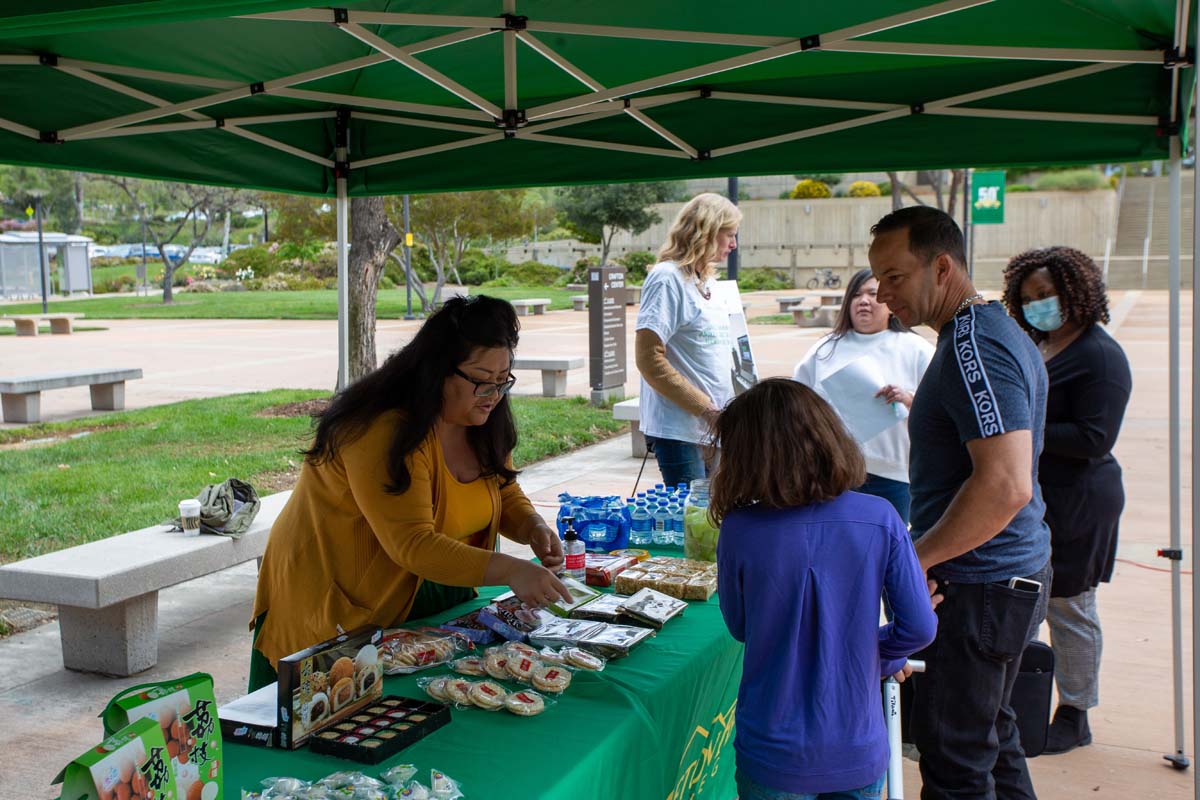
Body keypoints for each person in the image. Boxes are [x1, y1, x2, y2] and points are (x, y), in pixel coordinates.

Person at [248, 296, 570, 690]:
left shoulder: (480, 417)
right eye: (481, 380)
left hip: (423, 594)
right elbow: (413, 544)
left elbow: (502, 489)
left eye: (503, 380)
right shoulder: (382, 430)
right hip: (334, 605)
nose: (494, 394)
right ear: (437, 372)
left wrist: (533, 526)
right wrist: (511, 570)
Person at [868, 206, 1051, 800]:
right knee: (990, 740)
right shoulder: (979, 334)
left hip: (983, 584)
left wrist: (914, 560)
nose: (883, 293)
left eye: (895, 277)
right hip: (999, 578)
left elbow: (1005, 484)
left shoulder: (976, 342)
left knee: (954, 759)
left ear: (942, 267)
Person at [712, 378, 937, 800]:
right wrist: (872, 651)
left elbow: (742, 627)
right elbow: (920, 628)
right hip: (857, 743)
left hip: (773, 748)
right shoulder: (881, 516)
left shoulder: (740, 529)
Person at [1002, 247, 1131, 754]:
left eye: (1047, 296)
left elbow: (1095, 437)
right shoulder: (1041, 344)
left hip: (1081, 504)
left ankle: (1076, 712)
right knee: (1029, 599)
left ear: (1077, 292)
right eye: (1029, 298)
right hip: (1038, 498)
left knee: (1070, 607)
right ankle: (1019, 699)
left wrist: (1022, 430)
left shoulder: (1101, 356)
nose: (1038, 306)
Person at [793, 268, 934, 524]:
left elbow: (940, 408)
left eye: (873, 294)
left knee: (887, 548)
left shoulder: (916, 350)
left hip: (893, 473)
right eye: (856, 295)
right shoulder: (824, 349)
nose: (864, 301)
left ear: (891, 304)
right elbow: (797, 403)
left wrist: (908, 398)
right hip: (834, 470)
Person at [635, 192, 741, 486]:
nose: (733, 244)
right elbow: (649, 359)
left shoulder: (707, 282)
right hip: (680, 429)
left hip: (713, 426)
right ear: (705, 232)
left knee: (711, 520)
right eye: (728, 235)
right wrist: (706, 409)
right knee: (690, 522)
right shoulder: (667, 278)